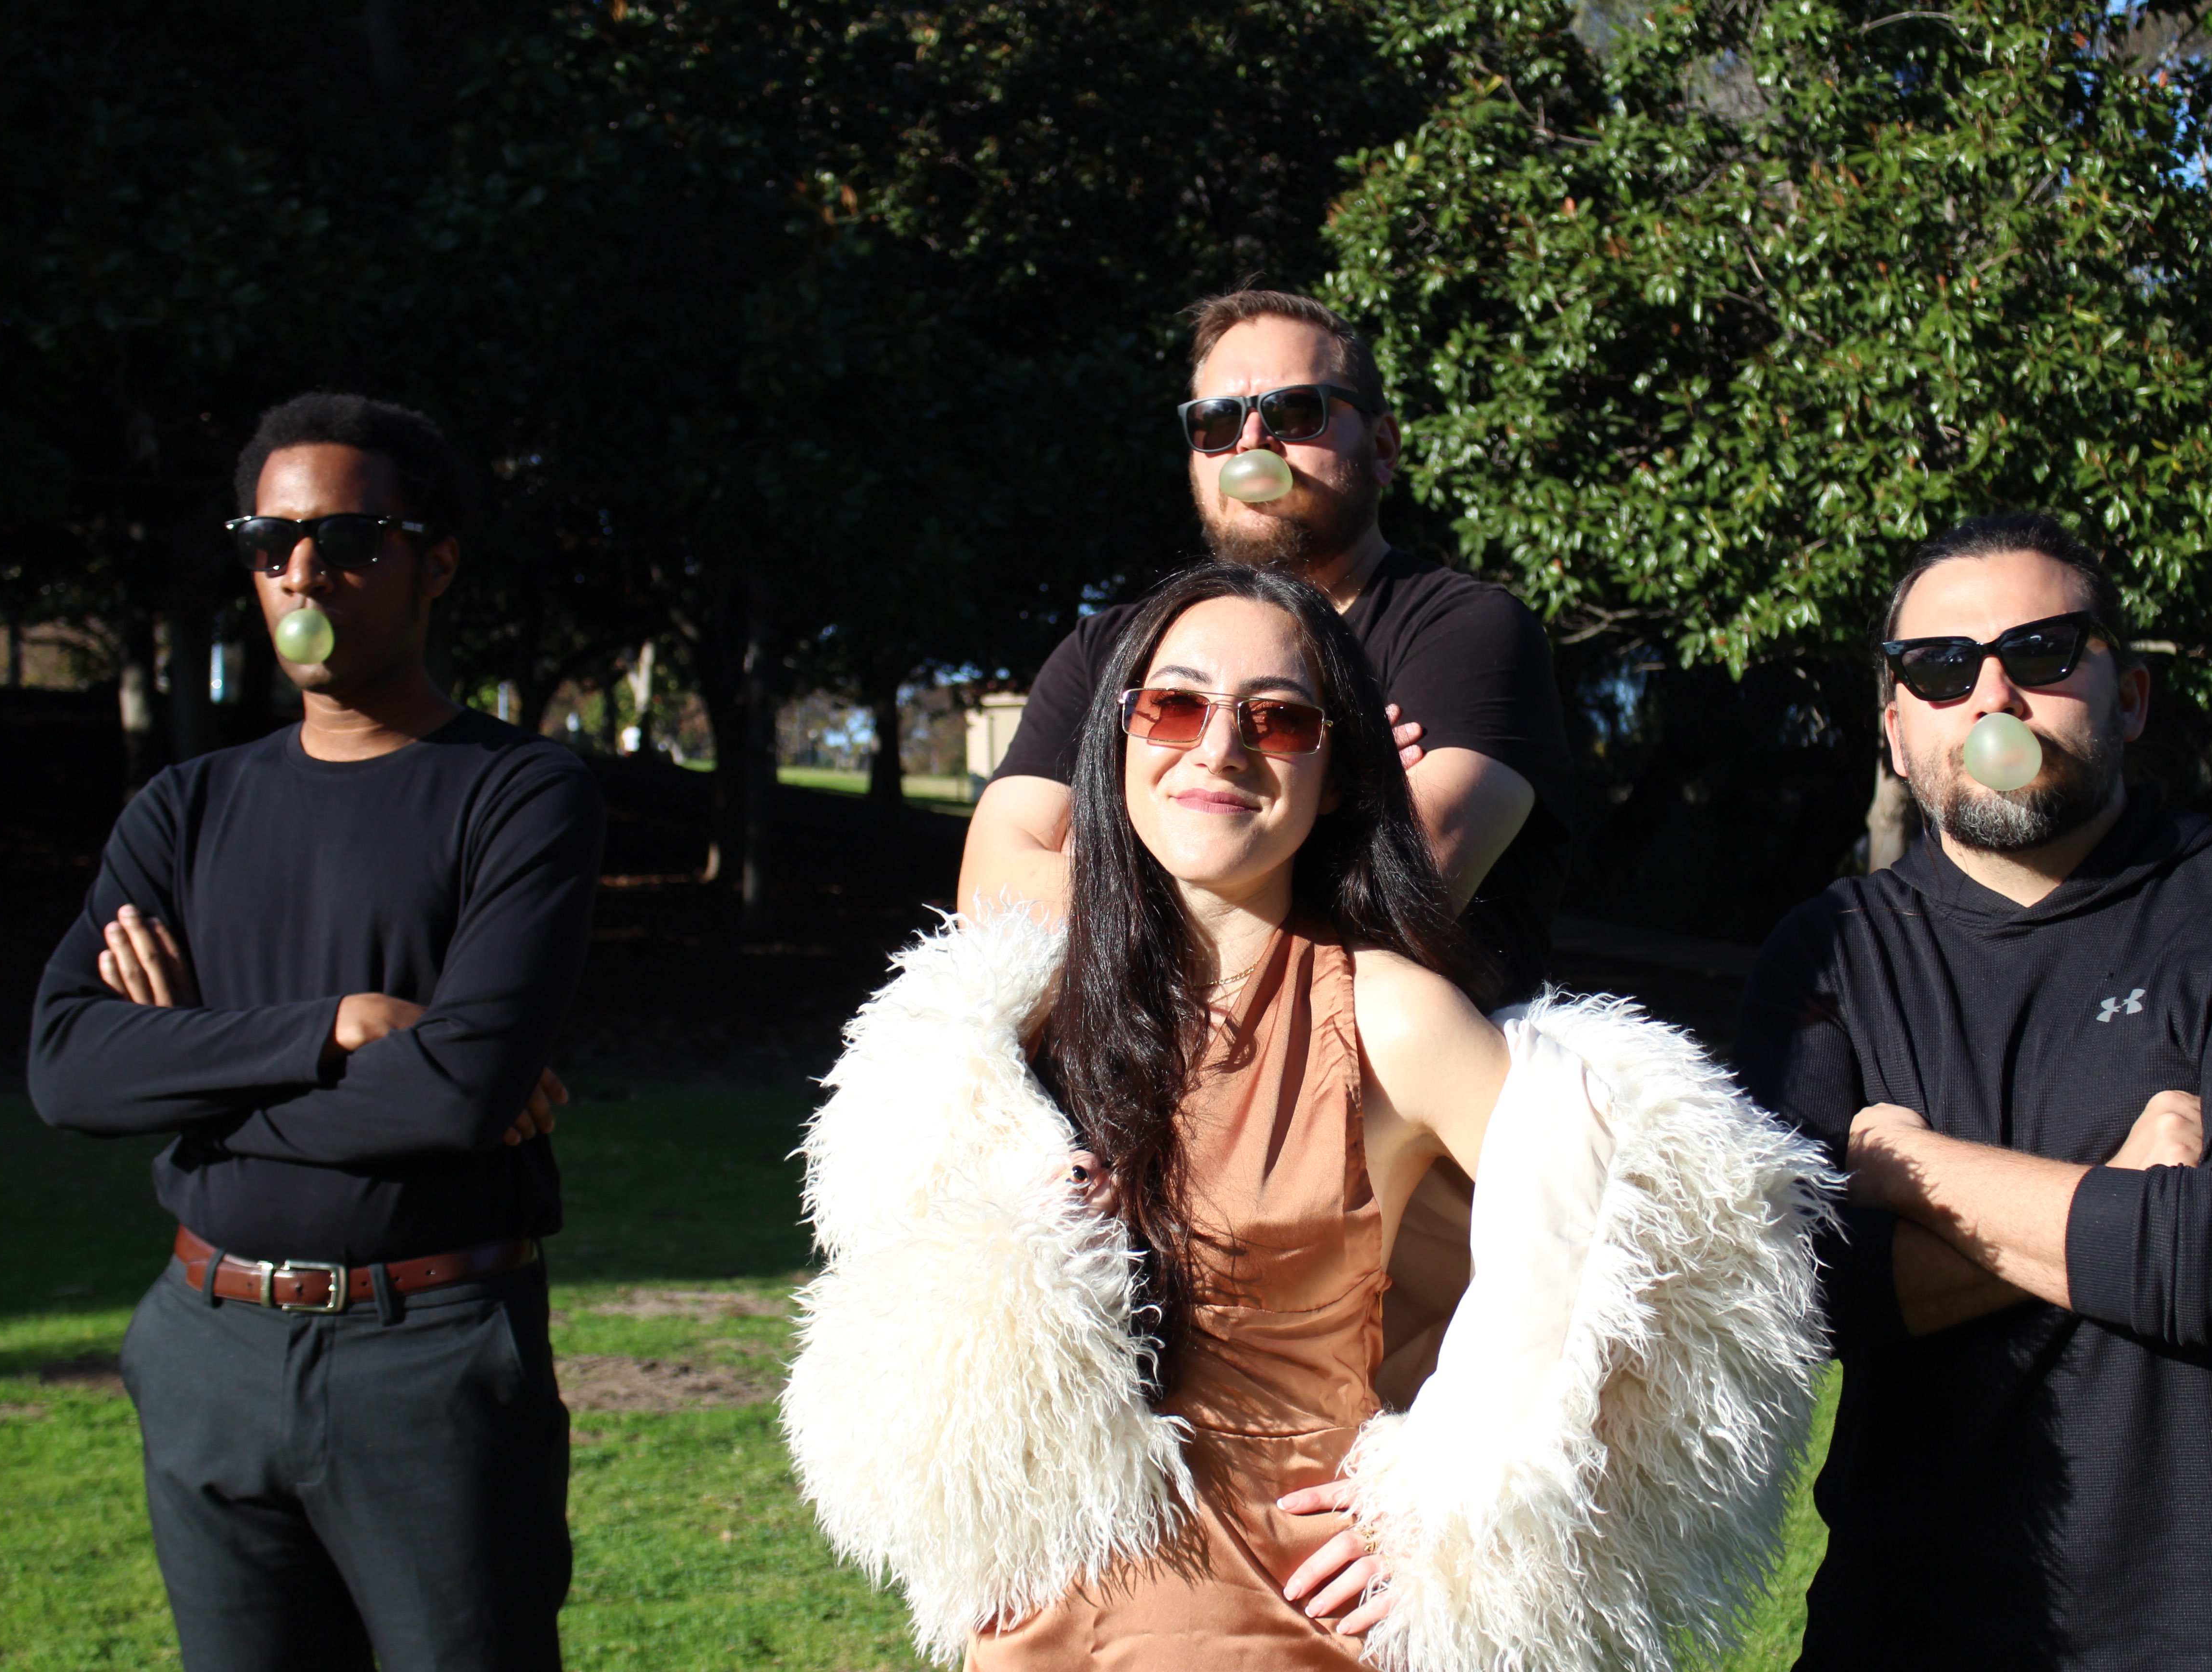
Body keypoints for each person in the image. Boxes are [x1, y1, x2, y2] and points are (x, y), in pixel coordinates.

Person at [783, 562, 1831, 1672]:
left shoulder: (1391, 1013)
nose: (1218, 747)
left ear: (1334, 776)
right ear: (1122, 741)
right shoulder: (999, 1024)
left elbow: (1659, 1226)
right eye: (1175, 705)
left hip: (1287, 1625)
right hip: (1033, 1628)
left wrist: (1458, 1499)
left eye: (1277, 719)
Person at [1733, 511, 2212, 1671]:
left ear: (2128, 696)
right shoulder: (1826, 953)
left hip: (2209, 1634)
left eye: (2039, 653)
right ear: (1895, 731)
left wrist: (1908, 1171)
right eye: (1940, 670)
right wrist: (2123, 1198)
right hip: (1894, 1634)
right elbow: (1798, 1294)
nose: (1994, 698)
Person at [28, 393, 604, 1672]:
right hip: (204, 1348)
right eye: (271, 540)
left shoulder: (521, 793)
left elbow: (454, 1099)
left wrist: (184, 1054)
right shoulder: (184, 807)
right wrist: (335, 1029)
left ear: (434, 561)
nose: (303, 570)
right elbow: (66, 1069)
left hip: (432, 1359)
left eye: (350, 537)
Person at [959, 287, 1574, 1006]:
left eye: (1294, 411)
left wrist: (1105, 849)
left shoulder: (1469, 633)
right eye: (1215, 422)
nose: (1250, 444)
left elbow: (1401, 896)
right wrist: (1342, 810)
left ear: (1382, 447)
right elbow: (989, 894)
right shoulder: (1106, 650)